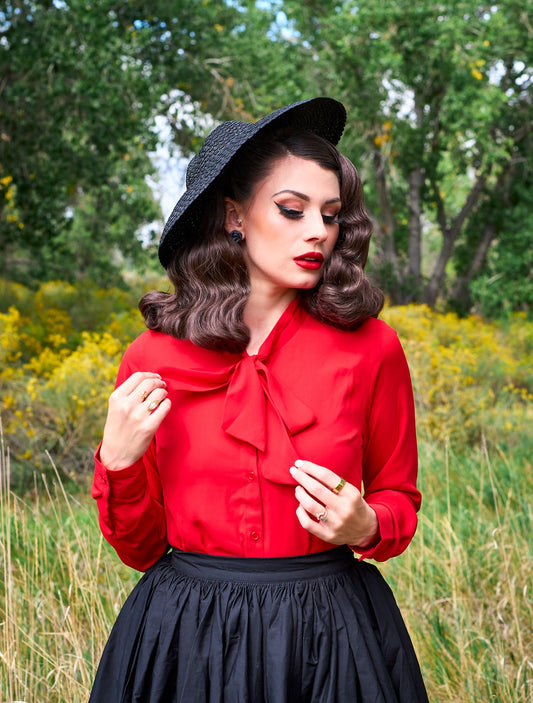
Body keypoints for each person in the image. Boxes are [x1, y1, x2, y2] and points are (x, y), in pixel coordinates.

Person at [89, 97, 428, 703]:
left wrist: (367, 523)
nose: (317, 232)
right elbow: (139, 549)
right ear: (233, 215)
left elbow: (398, 497)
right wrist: (117, 461)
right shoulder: (152, 358)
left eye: (331, 215)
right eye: (292, 210)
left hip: (330, 635)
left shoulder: (372, 348)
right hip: (186, 636)